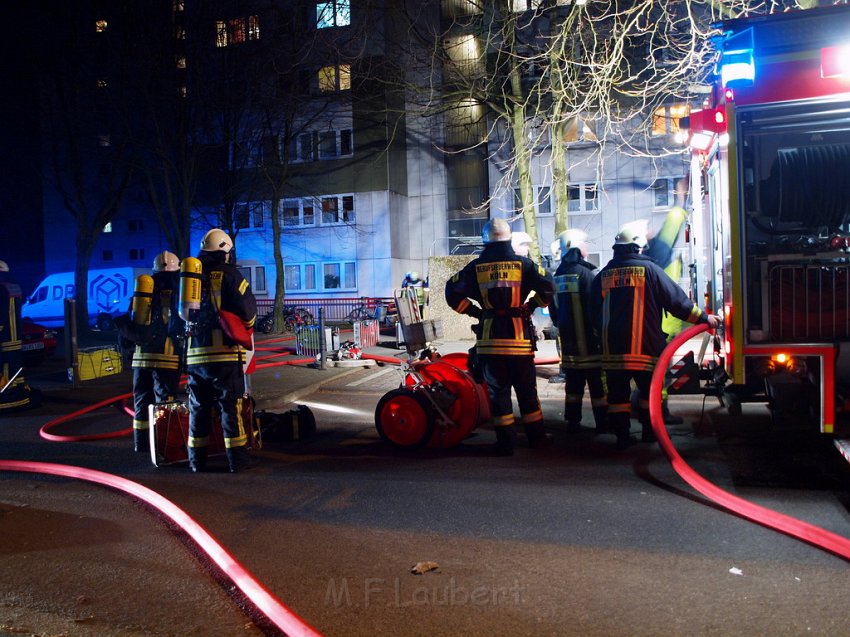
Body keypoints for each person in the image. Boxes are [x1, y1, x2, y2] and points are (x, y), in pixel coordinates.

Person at [590, 220, 718, 450]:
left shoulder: (604, 274)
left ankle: (622, 437)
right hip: (645, 348)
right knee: (650, 395)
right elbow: (676, 302)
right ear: (638, 246)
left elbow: (593, 310)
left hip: (613, 350)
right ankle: (649, 433)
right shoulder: (649, 270)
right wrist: (704, 318)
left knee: (617, 397)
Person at [445, 218, 556, 456]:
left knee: (499, 394)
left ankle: (505, 443)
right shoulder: (524, 264)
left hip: (490, 341)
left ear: (485, 240)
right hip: (519, 343)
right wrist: (531, 306)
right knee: (527, 391)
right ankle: (536, 438)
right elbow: (548, 285)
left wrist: (476, 312)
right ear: (508, 238)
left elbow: (452, 291)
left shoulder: (475, 266)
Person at [186, 229, 257, 473]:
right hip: (225, 354)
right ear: (224, 251)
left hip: (194, 355)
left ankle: (197, 461)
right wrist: (244, 329)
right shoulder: (230, 275)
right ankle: (237, 461)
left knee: (198, 408)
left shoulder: (190, 278)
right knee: (230, 407)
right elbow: (247, 312)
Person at [550, 229, 607, 433]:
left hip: (569, 345)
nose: (587, 247)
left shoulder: (557, 275)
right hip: (590, 344)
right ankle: (603, 423)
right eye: (585, 243)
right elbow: (596, 309)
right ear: (575, 246)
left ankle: (572, 423)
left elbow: (554, 312)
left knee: (573, 388)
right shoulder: (586, 274)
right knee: (598, 387)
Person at [129, 251, 184, 453]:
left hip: (141, 354)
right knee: (165, 400)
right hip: (167, 356)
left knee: (141, 399)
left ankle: (141, 443)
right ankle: (163, 443)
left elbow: (133, 318)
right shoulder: (180, 287)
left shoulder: (144, 287)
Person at [0, 260, 40, 412]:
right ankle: (14, 388)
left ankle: (9, 390)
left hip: (4, 337)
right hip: (13, 337)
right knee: (13, 365)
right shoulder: (13, 286)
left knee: (6, 366)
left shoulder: (3, 288)